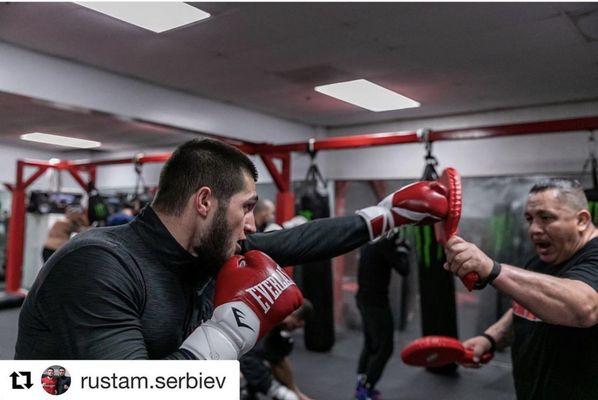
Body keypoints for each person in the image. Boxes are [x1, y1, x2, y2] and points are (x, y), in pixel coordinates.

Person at [16, 138, 452, 360]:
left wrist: (386, 215)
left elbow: (297, 240)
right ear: (204, 202)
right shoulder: (99, 265)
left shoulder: (199, 250)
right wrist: (227, 333)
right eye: (245, 207)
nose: (251, 223)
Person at [444, 178, 598, 399]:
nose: (534, 229)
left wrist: (492, 270)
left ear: (582, 220)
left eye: (546, 218)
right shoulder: (545, 257)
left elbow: (584, 307)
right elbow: (527, 304)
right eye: (529, 219)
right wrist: (491, 338)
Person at [355, 230, 410, 400]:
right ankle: (366, 388)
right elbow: (404, 268)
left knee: (371, 343)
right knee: (385, 348)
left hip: (363, 298)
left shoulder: (370, 240)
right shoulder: (384, 244)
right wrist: (403, 248)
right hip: (376, 303)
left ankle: (361, 384)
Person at [241, 300, 314, 400]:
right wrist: (280, 391)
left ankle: (249, 391)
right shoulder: (262, 321)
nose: (298, 326)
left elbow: (279, 361)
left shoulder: (278, 333)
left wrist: (295, 391)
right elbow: (246, 358)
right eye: (296, 323)